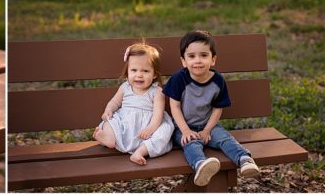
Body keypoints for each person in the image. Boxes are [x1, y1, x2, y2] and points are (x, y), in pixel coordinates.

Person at [163, 30, 260, 187]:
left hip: (209, 125)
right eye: (192, 56)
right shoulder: (178, 79)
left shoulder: (217, 80)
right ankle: (201, 165)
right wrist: (186, 131)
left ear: (213, 59)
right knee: (191, 143)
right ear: (183, 61)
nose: (198, 61)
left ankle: (244, 160)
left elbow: (217, 108)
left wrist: (207, 130)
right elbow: (174, 106)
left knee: (224, 139)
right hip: (183, 126)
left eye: (203, 55)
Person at [93, 42, 175, 165]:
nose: (139, 75)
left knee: (164, 130)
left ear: (154, 75)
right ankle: (109, 138)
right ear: (128, 72)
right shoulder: (125, 87)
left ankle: (140, 152)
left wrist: (150, 129)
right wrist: (108, 110)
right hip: (125, 124)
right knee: (110, 121)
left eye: (145, 71)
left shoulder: (157, 92)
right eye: (134, 70)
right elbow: (114, 102)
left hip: (148, 127)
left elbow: (158, 115)